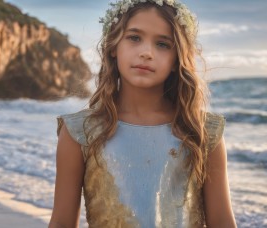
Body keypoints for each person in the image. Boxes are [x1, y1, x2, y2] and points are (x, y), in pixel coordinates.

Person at [49, 0, 237, 227]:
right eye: (134, 38)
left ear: (177, 59)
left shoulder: (202, 132)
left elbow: (223, 223)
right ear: (113, 46)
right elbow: (61, 223)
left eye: (162, 44)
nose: (147, 52)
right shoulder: (80, 133)